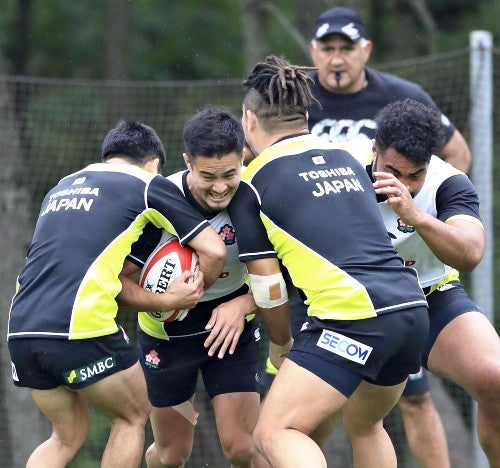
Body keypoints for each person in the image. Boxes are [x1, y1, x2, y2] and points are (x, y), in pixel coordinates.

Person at [227, 54, 430, 467]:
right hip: (411, 310)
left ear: (249, 120)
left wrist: (282, 345)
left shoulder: (250, 185)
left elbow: (268, 287)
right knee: (367, 426)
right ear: (305, 114)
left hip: (353, 317)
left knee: (275, 432)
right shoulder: (347, 159)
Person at [7, 120, 226, 468]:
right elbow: (214, 250)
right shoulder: (147, 184)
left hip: (21, 329)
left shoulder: (62, 186)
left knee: (66, 436)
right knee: (133, 414)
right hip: (77, 326)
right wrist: (188, 297)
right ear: (154, 163)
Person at [117, 106, 269, 468]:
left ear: (243, 158)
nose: (220, 188)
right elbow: (118, 283)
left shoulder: (259, 197)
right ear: (187, 162)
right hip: (168, 337)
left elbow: (295, 275)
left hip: (231, 330)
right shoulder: (156, 201)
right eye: (207, 176)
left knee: (244, 449)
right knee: (171, 456)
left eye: (230, 174)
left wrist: (246, 304)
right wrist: (166, 299)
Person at [368, 98, 500, 467]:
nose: (404, 186)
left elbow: (471, 253)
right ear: (374, 150)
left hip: (430, 296)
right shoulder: (343, 173)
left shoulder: (449, 182)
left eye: (415, 176)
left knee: (495, 379)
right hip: (356, 305)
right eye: (394, 173)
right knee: (341, 419)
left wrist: (417, 216)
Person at [308, 6, 471, 174]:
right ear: (313, 51)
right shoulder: (292, 97)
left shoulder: (403, 96)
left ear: (366, 50)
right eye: (327, 49)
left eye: (347, 49)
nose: (336, 61)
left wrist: (424, 197)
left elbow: (458, 153)